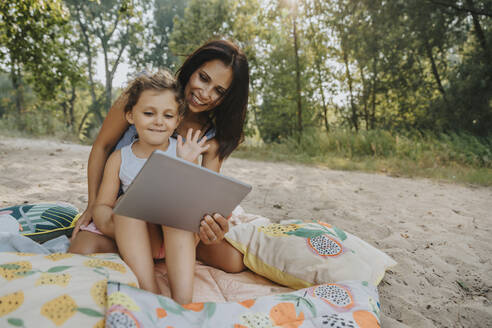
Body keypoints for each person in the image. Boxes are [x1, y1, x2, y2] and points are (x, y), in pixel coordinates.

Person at [69, 40, 249, 274]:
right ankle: (141, 250)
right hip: (123, 210)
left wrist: (210, 229)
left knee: (233, 261)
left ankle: (156, 252)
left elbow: (201, 198)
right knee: (82, 250)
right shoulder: (145, 95)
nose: (205, 94)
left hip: (173, 221)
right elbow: (102, 147)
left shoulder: (212, 138)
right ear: (191, 68)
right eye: (203, 78)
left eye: (219, 91)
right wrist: (93, 205)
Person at [92, 69, 207, 303]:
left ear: (177, 121)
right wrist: (110, 221)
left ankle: (182, 303)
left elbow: (194, 203)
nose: (158, 121)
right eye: (148, 113)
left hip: (178, 238)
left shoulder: (183, 152)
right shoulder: (120, 158)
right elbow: (103, 204)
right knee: (125, 205)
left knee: (177, 208)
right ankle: (150, 293)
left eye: (167, 115)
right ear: (130, 116)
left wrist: (187, 164)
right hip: (140, 239)